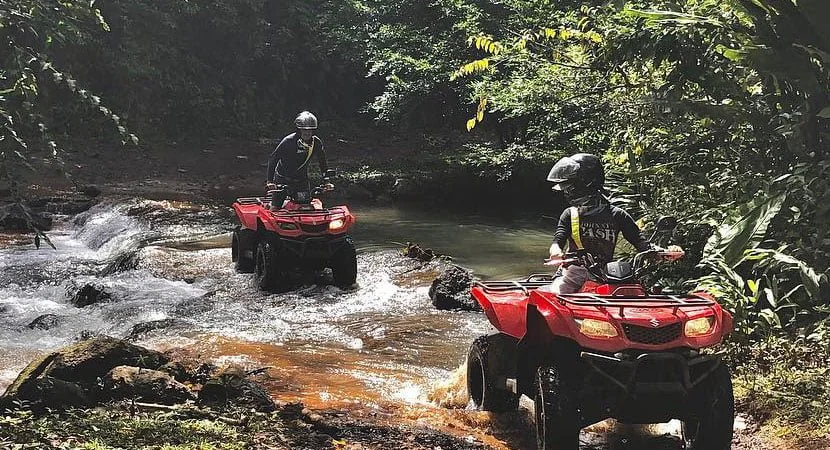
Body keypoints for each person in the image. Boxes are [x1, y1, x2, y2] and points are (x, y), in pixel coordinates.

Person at [546, 153, 653, 294]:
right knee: (556, 295)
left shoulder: (617, 214)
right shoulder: (570, 214)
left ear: (586, 182)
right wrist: (556, 252)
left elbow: (639, 241)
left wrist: (661, 252)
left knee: (634, 293)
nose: (567, 192)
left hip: (607, 274)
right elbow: (558, 240)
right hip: (573, 272)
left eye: (570, 187)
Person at [266, 111, 329, 209]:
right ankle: (272, 207)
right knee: (275, 208)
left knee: (306, 207)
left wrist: (326, 181)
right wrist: (270, 181)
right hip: (283, 179)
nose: (307, 132)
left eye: (310, 130)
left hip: (301, 180)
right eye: (304, 129)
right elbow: (274, 159)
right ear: (299, 129)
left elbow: (322, 161)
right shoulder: (288, 141)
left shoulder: (316, 142)